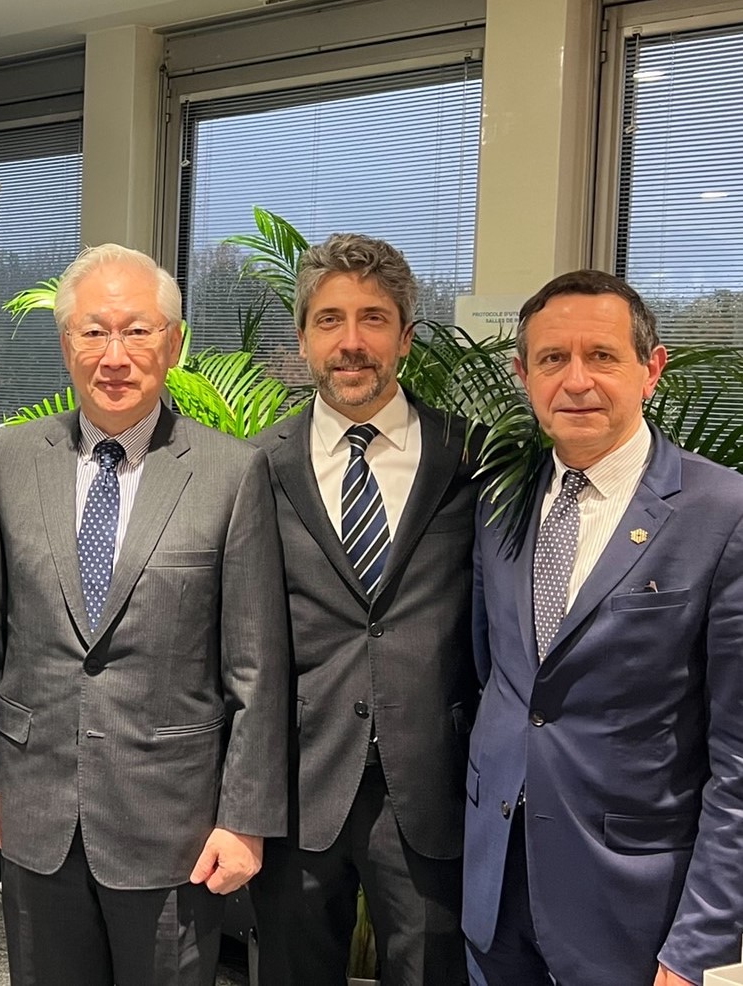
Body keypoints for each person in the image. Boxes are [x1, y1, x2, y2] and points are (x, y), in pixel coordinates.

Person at [0, 243, 288, 986]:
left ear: (172, 344)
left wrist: (243, 820)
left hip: (171, 825)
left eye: (137, 331)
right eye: (93, 331)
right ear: (66, 344)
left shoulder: (230, 472)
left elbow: (255, 667)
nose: (114, 356)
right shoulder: (14, 458)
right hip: (35, 813)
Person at [464, 270, 743, 986]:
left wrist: (697, 945)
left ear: (652, 369)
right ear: (523, 375)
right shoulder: (498, 500)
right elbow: (499, 677)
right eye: (553, 359)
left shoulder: (722, 513)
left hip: (634, 916)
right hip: (496, 894)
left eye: (602, 356)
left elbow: (738, 760)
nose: (576, 380)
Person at [248, 233, 478, 985]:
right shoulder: (257, 465)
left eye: (373, 319)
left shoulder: (470, 458)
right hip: (296, 785)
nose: (351, 342)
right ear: (302, 339)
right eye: (330, 320)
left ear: (405, 337)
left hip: (431, 785)